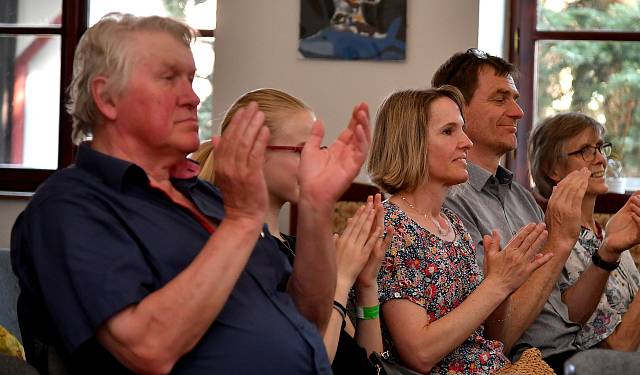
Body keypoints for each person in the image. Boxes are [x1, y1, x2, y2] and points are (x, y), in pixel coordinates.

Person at [10, 14, 370, 374]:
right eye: (169, 79)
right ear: (106, 98)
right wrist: (242, 221)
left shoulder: (207, 197)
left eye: (191, 79)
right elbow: (148, 349)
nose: (194, 97)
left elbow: (309, 315)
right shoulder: (72, 206)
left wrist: (315, 208)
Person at [433, 49, 640, 373]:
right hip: (525, 364)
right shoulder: (450, 203)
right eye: (500, 99)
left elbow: (567, 315)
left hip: (570, 354)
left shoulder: (521, 198)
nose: (518, 111)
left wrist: (606, 253)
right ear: (458, 110)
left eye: (516, 98)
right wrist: (559, 242)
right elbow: (497, 339)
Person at [193, 88, 387, 373]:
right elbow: (314, 361)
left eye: (318, 151)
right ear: (255, 153)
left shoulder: (300, 250)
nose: (316, 163)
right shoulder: (244, 253)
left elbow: (370, 362)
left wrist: (367, 285)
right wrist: (342, 279)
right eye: (302, 150)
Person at [368, 85, 556, 375]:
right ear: (411, 143)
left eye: (463, 129)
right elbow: (419, 353)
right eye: (448, 131)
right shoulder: (392, 227)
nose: (467, 142)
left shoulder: (451, 224)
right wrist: (497, 285)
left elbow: (494, 342)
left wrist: (499, 286)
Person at [528, 112, 640, 353]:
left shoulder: (606, 235)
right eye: (585, 150)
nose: (601, 160)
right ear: (552, 169)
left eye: (600, 148)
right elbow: (618, 349)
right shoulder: (556, 246)